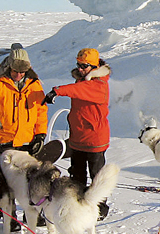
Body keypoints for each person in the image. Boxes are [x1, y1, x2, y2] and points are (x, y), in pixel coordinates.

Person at [44, 47, 111, 218]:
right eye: (78, 65)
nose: (80, 69)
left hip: (95, 139)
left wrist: (57, 91)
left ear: (94, 67)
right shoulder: (82, 80)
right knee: (77, 175)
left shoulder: (99, 84)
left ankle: (100, 208)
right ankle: (78, 205)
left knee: (96, 176)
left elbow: (78, 91)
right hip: (78, 138)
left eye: (84, 66)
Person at [0, 47, 48, 153]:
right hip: (1, 144)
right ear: (9, 67)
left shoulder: (34, 84)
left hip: (27, 144)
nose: (18, 75)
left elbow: (41, 111)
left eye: (22, 72)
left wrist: (40, 134)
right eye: (15, 71)